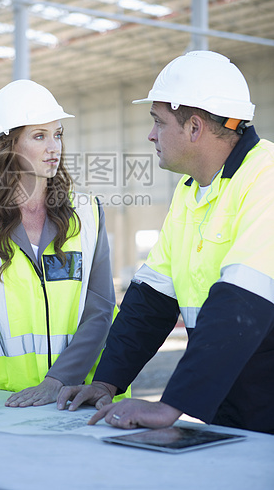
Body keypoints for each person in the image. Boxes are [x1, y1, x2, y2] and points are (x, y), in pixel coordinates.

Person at [57, 50, 274, 435]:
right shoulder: (191, 192)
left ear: (194, 127)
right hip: (232, 405)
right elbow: (151, 298)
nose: (151, 134)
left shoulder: (266, 178)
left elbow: (242, 303)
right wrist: (107, 381)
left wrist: (173, 405)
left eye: (158, 122)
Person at [0, 80, 118, 415]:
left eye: (58, 134)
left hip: (77, 399)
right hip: (3, 405)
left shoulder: (88, 213)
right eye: (39, 136)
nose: (54, 147)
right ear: (9, 147)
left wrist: (58, 379)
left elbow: (100, 310)